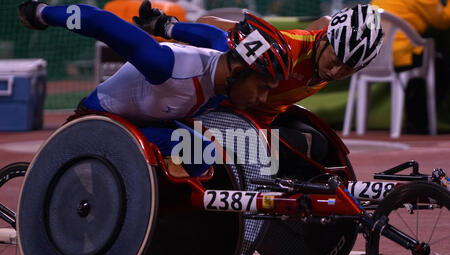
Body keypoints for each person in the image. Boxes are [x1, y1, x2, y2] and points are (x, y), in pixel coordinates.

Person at [17, 0, 293, 177]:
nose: (263, 98)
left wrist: (166, 25)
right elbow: (100, 22)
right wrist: (42, 13)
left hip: (144, 124)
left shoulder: (227, 54)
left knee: (202, 154)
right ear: (237, 73)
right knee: (197, 151)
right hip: (99, 122)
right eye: (262, 87)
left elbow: (212, 35)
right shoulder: (166, 67)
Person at [133, 1, 385, 177]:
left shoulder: (326, 34)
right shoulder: (284, 47)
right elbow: (209, 24)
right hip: (221, 120)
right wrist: (167, 27)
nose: (337, 72)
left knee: (320, 147)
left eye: (349, 69)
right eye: (336, 60)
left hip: (259, 123)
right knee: (294, 147)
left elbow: (325, 21)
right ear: (326, 39)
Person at [371, 0, 450, 133]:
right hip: (401, 54)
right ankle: (418, 122)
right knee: (439, 65)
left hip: (374, 55)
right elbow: (443, 21)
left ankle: (414, 121)